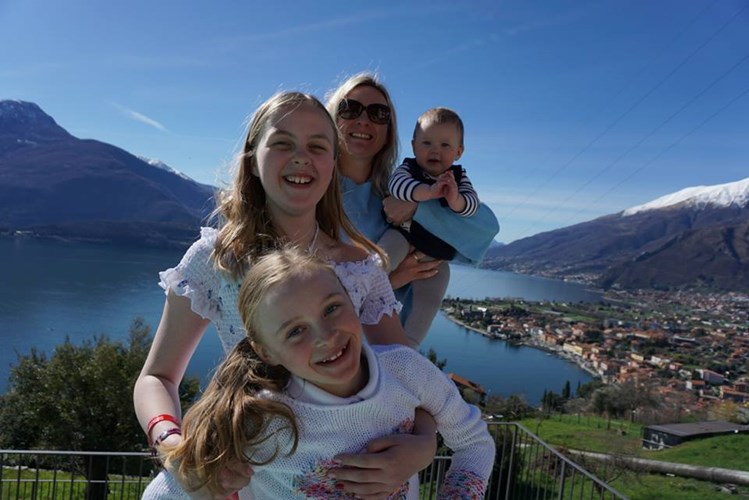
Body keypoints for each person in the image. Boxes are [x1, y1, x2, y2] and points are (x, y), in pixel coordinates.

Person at [134, 91, 438, 499]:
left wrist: (423, 447)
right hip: (254, 479)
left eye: (317, 146)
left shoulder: (361, 268)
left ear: (333, 165)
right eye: (282, 143)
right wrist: (173, 447)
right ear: (252, 160)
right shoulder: (215, 261)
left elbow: (412, 379)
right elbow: (157, 377)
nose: (301, 157)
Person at [145, 247, 496, 499]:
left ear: (351, 300)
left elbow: (474, 442)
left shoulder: (407, 370)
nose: (326, 337)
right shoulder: (257, 417)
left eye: (331, 308)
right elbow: (171, 489)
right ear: (266, 352)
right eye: (295, 331)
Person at [326, 73, 449, 346]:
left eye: (378, 114)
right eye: (350, 108)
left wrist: (420, 206)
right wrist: (389, 281)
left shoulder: (398, 193)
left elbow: (479, 228)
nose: (364, 120)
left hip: (374, 360)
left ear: (388, 133)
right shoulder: (311, 192)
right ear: (333, 120)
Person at [378, 107, 480, 346]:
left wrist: (455, 198)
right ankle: (356, 291)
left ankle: (409, 346)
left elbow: (472, 207)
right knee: (379, 261)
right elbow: (398, 187)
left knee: (429, 301)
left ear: (459, 152)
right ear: (414, 146)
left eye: (445, 145)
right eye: (427, 142)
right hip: (403, 235)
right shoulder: (408, 169)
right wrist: (429, 192)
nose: (435, 150)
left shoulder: (459, 178)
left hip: (435, 257)